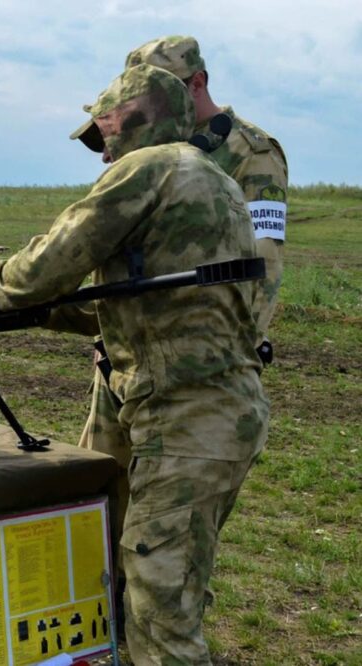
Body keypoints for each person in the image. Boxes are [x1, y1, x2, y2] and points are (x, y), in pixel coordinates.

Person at [0, 64, 268, 664]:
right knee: (165, 588)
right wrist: (38, 316)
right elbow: (142, 308)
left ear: (139, 119)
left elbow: (52, 259)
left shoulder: (152, 168)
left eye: (107, 134)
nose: (104, 154)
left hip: (187, 422)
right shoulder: (216, 183)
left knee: (160, 617)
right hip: (223, 415)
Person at [77, 35, 289, 612]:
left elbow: (261, 267)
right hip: (120, 360)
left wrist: (229, 351)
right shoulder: (142, 143)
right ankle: (101, 626)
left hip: (194, 372)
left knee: (170, 527)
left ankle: (162, 625)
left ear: (196, 83)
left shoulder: (250, 154)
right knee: (99, 493)